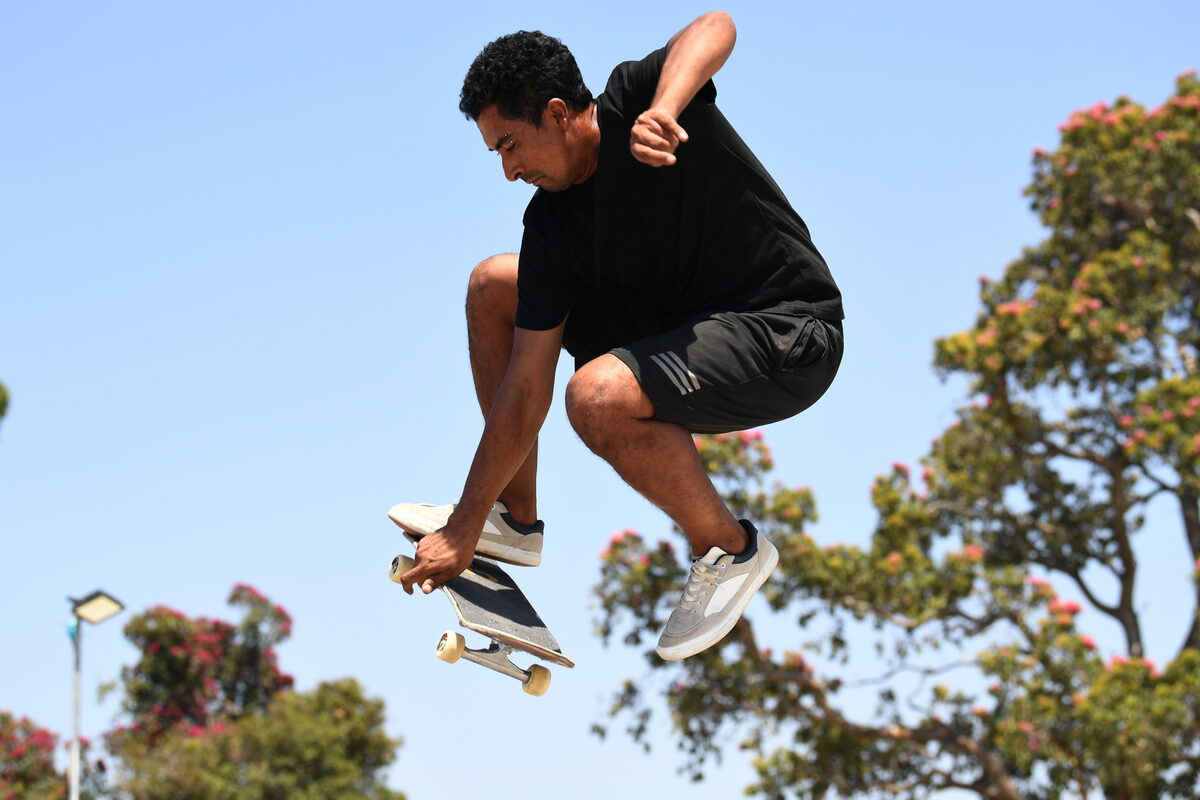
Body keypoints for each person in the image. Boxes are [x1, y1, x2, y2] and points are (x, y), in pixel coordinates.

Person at [392, 11, 844, 661]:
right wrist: (467, 524)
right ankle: (515, 523)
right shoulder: (551, 229)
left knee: (595, 395)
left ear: (557, 113)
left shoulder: (634, 99)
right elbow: (523, 387)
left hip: (784, 330)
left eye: (509, 145)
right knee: (496, 286)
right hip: (680, 330)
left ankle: (728, 549)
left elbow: (715, 26)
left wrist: (665, 108)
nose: (508, 171)